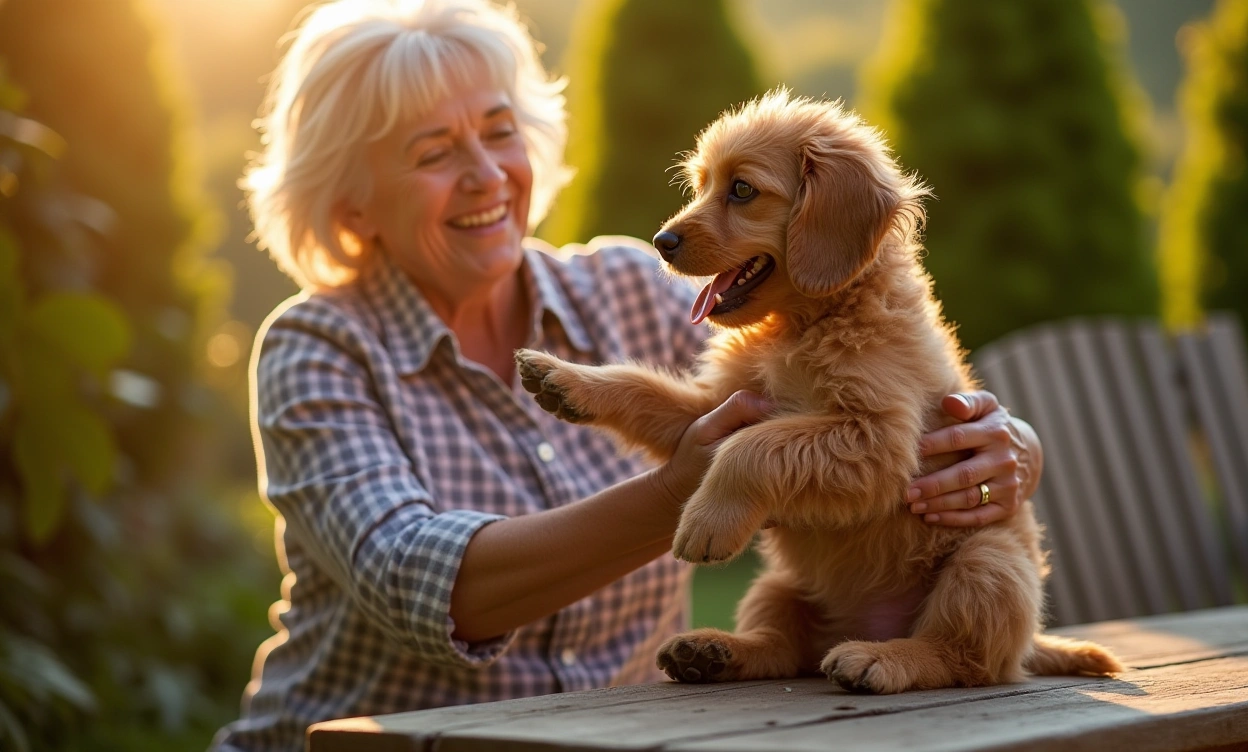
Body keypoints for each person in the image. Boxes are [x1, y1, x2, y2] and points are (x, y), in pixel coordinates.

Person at [211, 1, 1044, 749]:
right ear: (350, 200)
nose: (486, 173)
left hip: (625, 734)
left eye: (499, 130)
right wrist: (681, 487)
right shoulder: (317, 346)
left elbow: (891, 402)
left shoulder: (637, 289)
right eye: (434, 151)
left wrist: (1011, 451)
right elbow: (413, 584)